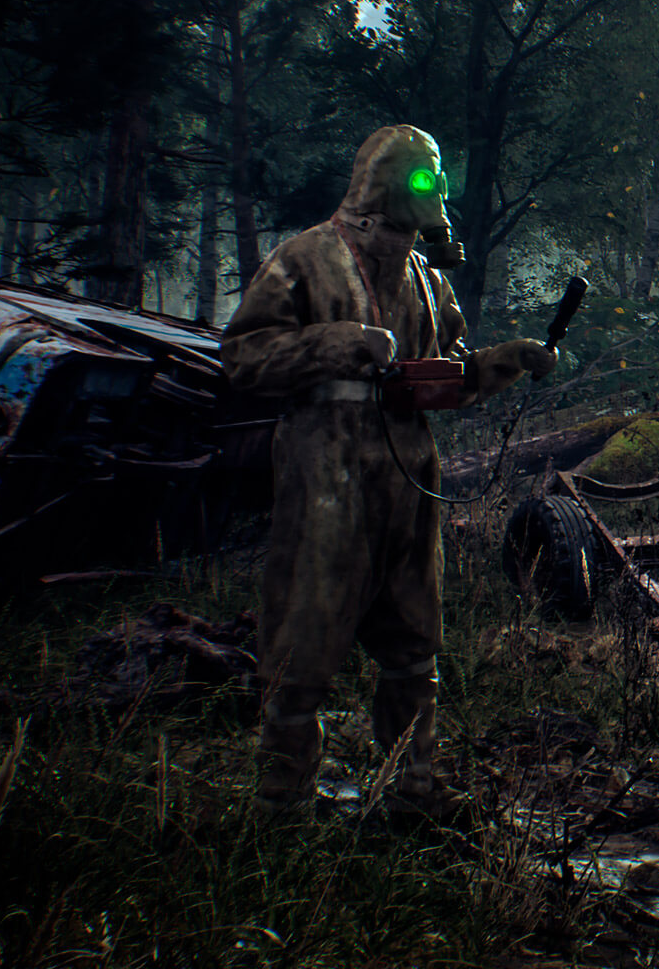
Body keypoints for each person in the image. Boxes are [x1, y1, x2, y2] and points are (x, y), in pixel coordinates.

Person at [221, 124, 555, 818]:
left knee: (413, 637)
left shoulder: (427, 282)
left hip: (406, 475)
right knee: (304, 635)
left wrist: (507, 361)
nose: (433, 197)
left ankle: (413, 788)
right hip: (325, 472)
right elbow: (243, 358)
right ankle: (282, 801)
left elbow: (448, 379)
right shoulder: (305, 260)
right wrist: (337, 343)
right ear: (385, 183)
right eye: (423, 178)